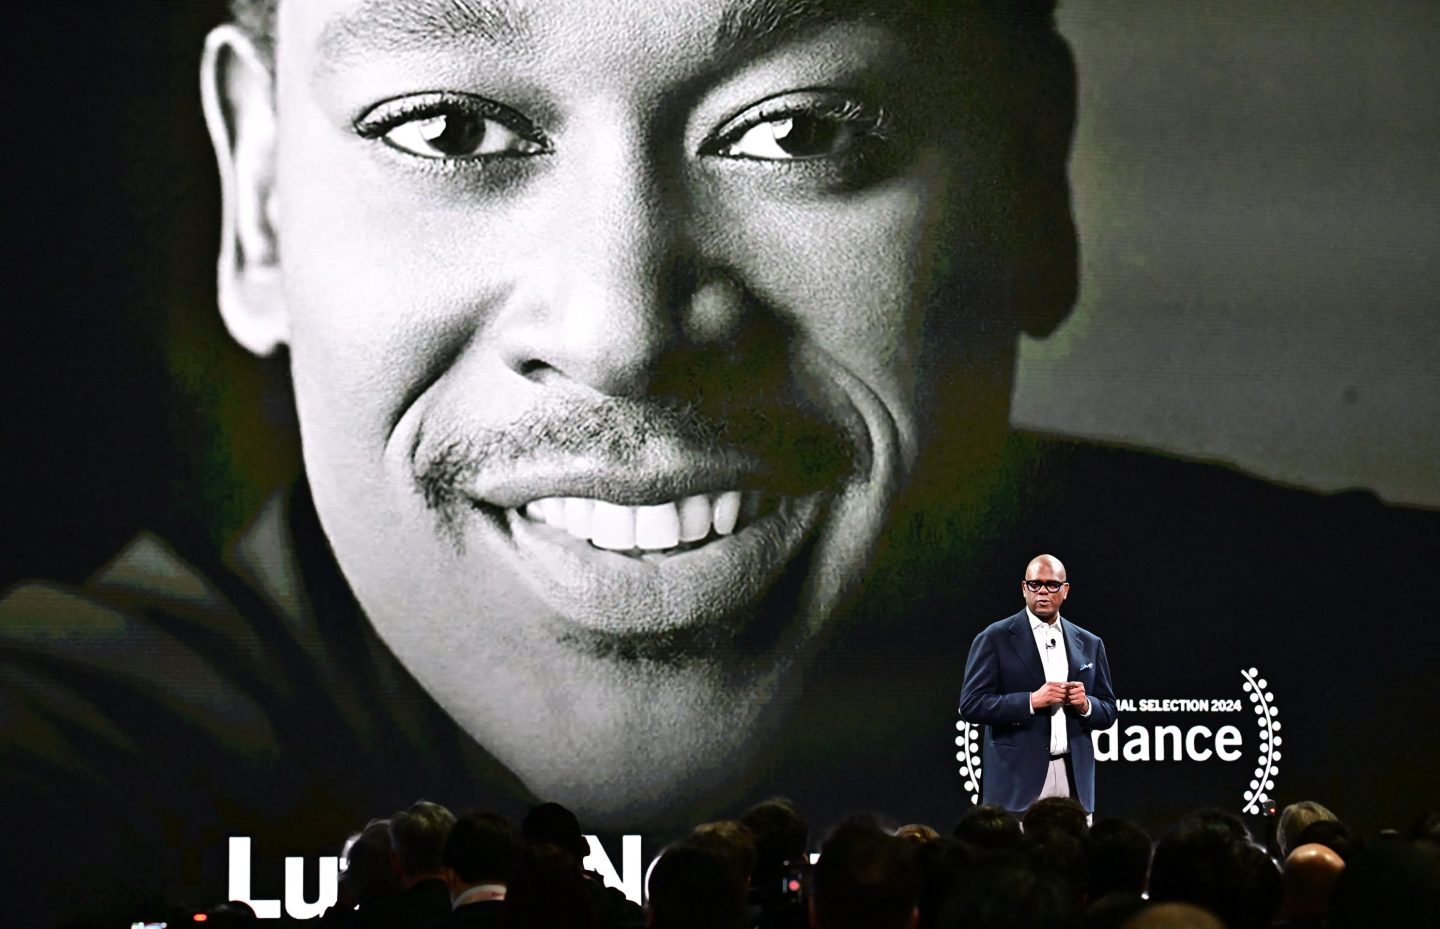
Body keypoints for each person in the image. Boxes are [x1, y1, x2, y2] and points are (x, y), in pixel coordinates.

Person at [4, 1, 1440, 924]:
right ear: (258, 201)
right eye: (447, 128)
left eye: (801, 130)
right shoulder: (71, 765)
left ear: (1028, 179)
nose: (626, 329)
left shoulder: (1386, 679)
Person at [958, 555, 1118, 816]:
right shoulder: (994, 638)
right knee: (1016, 856)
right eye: (1035, 584)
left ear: (1065, 590)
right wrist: (1030, 701)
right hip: (1016, 782)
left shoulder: (1090, 643)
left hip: (1073, 779)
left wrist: (1086, 705)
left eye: (1052, 585)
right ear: (1024, 589)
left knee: (1072, 856)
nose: (1043, 590)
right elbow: (971, 705)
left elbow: (1109, 710)